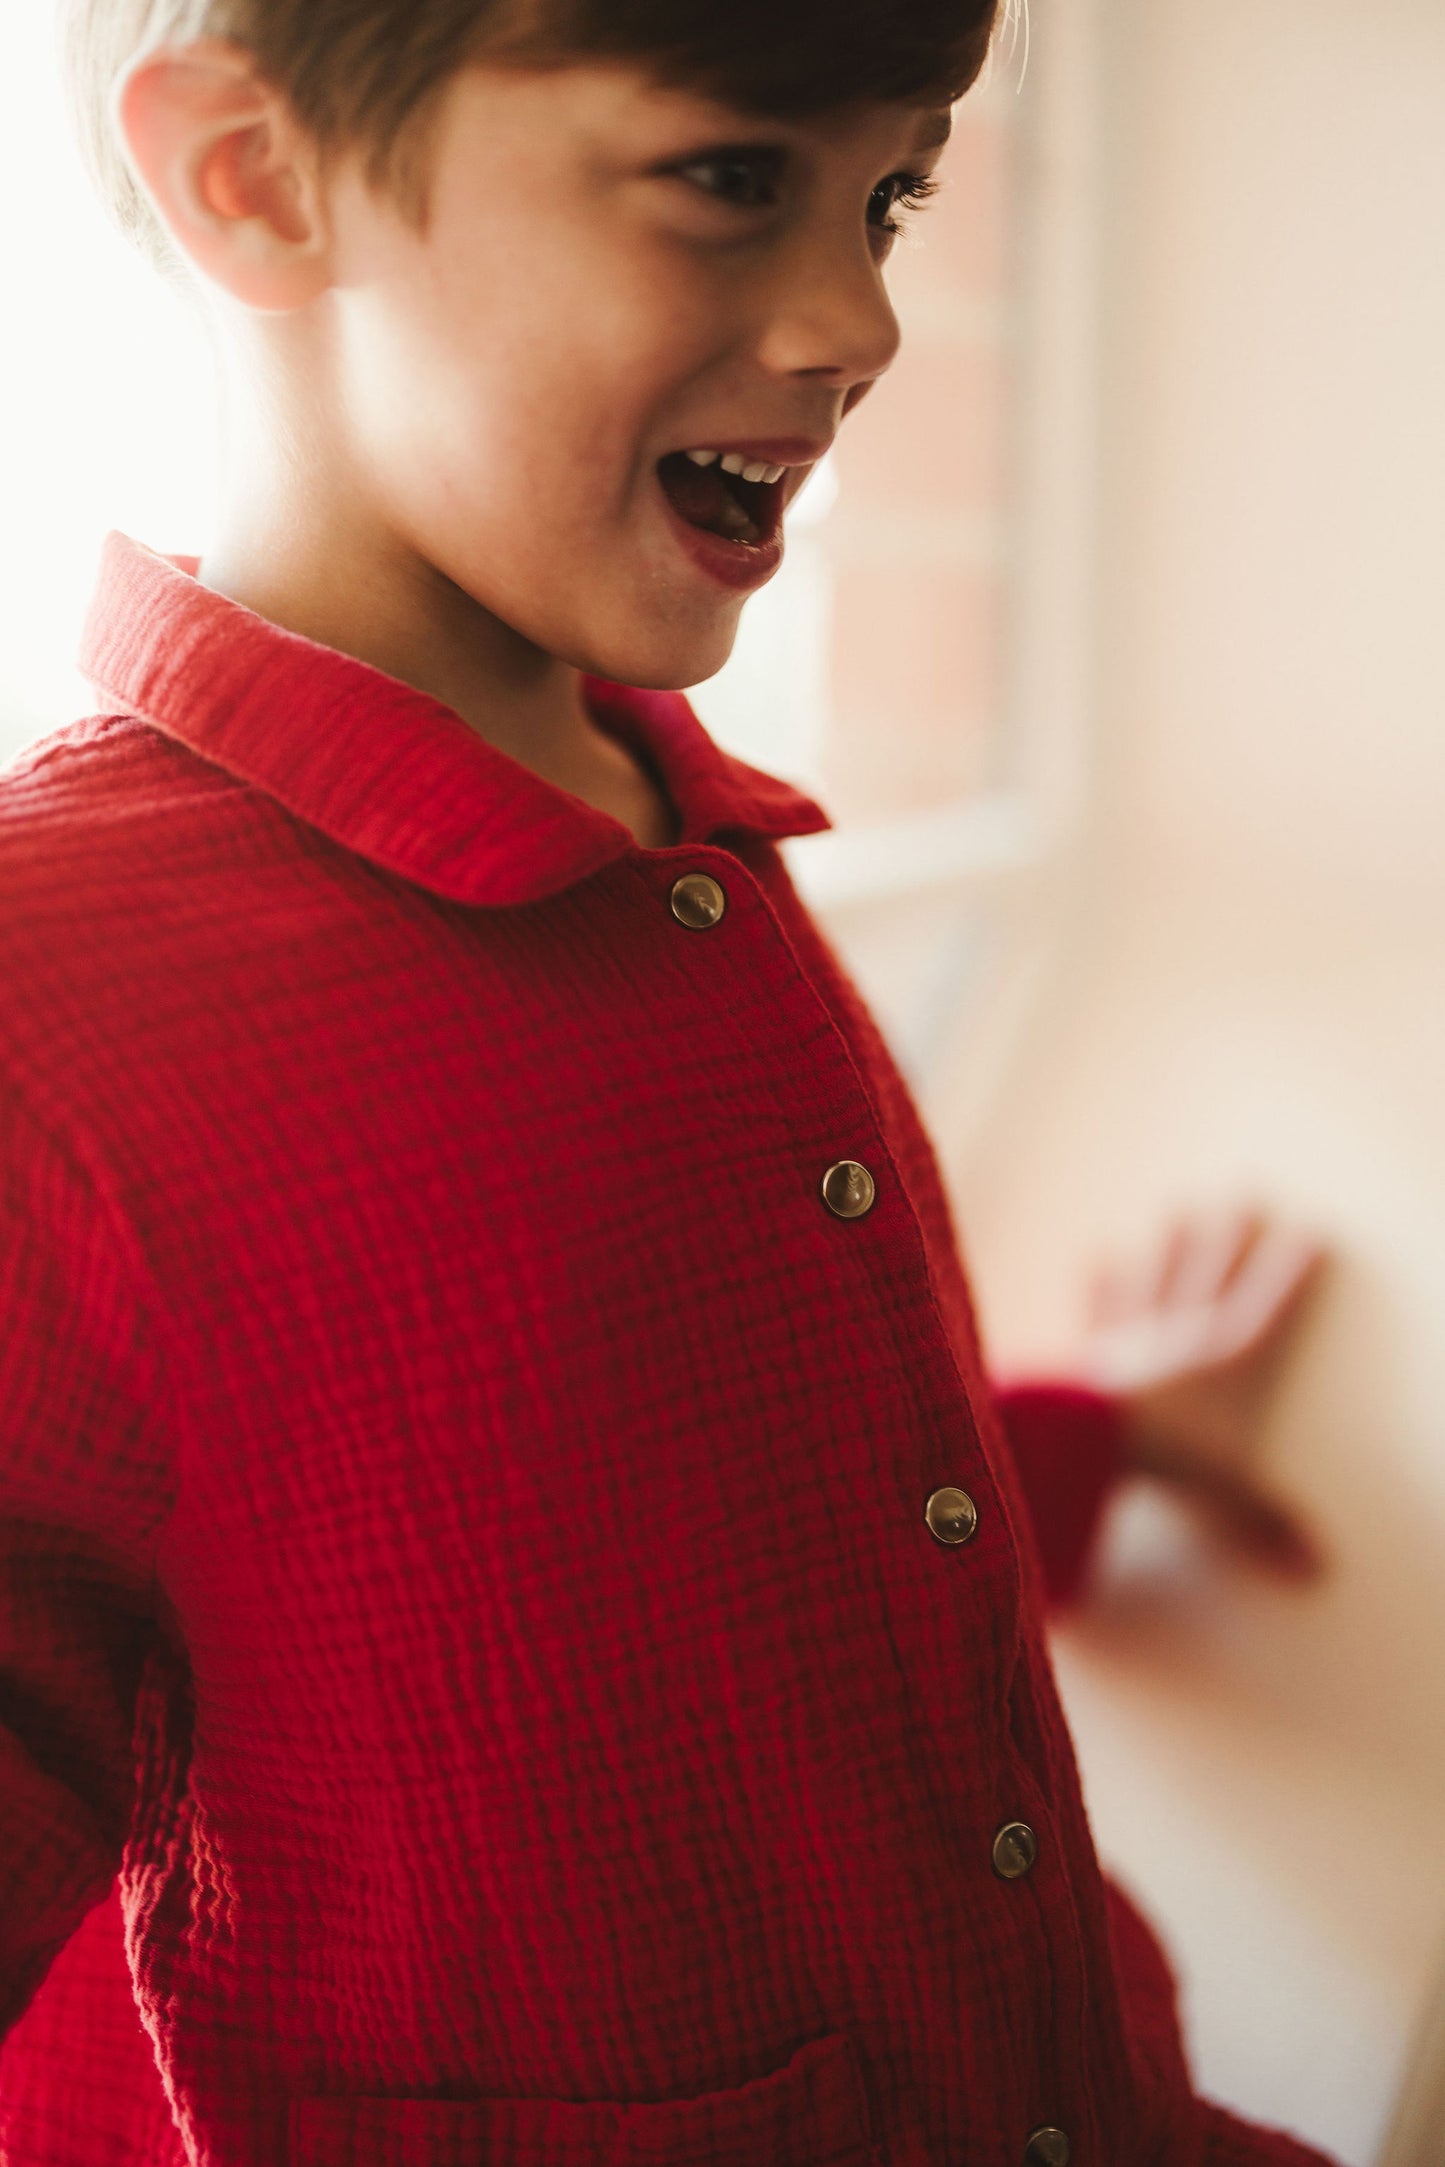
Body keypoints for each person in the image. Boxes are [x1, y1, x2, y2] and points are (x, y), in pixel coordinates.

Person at [0, 1, 1337, 2161]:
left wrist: (1085, 1446)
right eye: (734, 180)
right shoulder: (40, 1006)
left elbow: (628, 1497)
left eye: (891, 194)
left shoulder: (678, 823)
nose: (862, 316)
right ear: (249, 173)